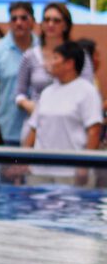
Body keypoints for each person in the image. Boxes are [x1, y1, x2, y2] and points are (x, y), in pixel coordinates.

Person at [15, 2, 94, 143]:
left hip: (70, 123)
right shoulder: (30, 55)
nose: (51, 24)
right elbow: (19, 93)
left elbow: (87, 88)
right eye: (46, 20)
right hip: (36, 120)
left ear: (66, 25)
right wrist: (29, 104)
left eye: (56, 20)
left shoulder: (79, 54)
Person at [25, 42, 103, 183]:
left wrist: (84, 165)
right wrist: (22, 160)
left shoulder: (87, 91)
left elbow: (94, 130)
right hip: (40, 171)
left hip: (71, 172)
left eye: (55, 58)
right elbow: (34, 128)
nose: (49, 63)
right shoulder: (47, 92)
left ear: (69, 63)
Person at [0, 2, 37, 145]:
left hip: (40, 131)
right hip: (5, 130)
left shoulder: (43, 49)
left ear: (33, 21)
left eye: (23, 18)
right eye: (14, 19)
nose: (18, 23)